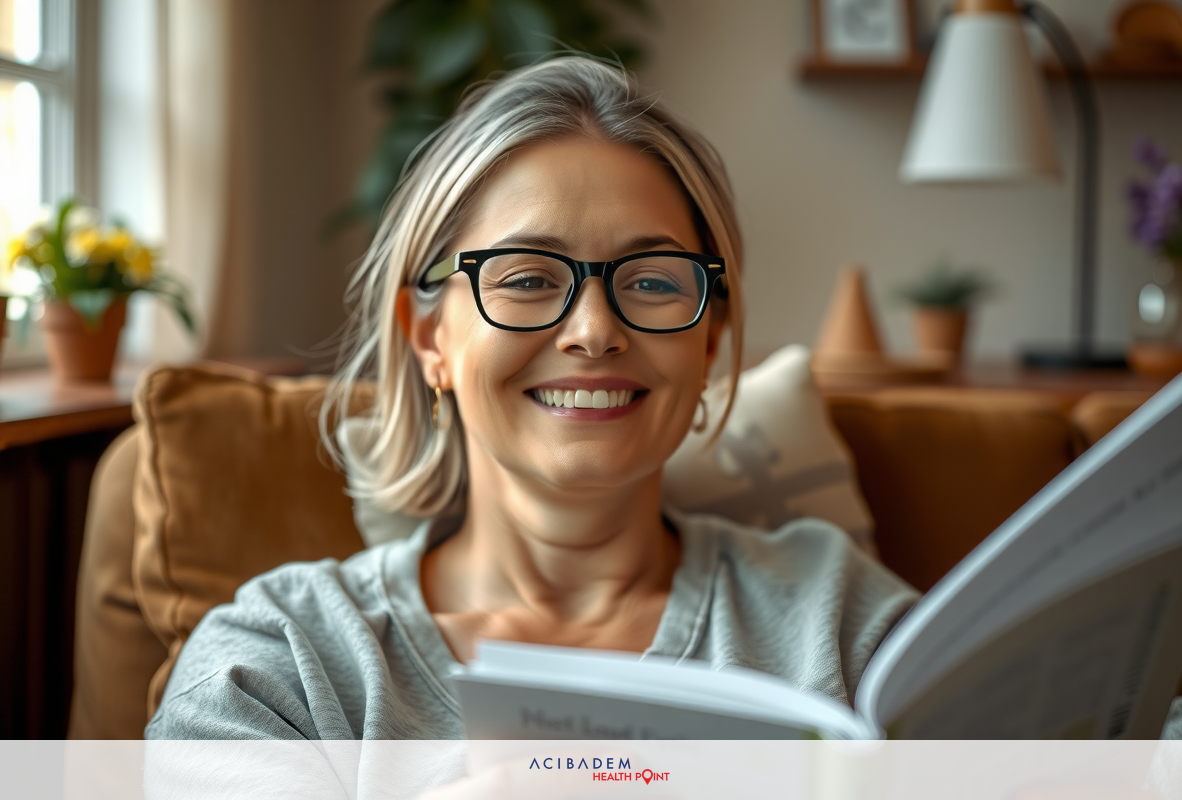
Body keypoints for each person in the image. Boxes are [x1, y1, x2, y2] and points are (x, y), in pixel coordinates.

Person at [144, 56, 918, 742]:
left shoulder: (839, 618)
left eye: (651, 282)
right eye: (525, 278)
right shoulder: (279, 664)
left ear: (709, 337)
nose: (594, 331)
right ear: (430, 337)